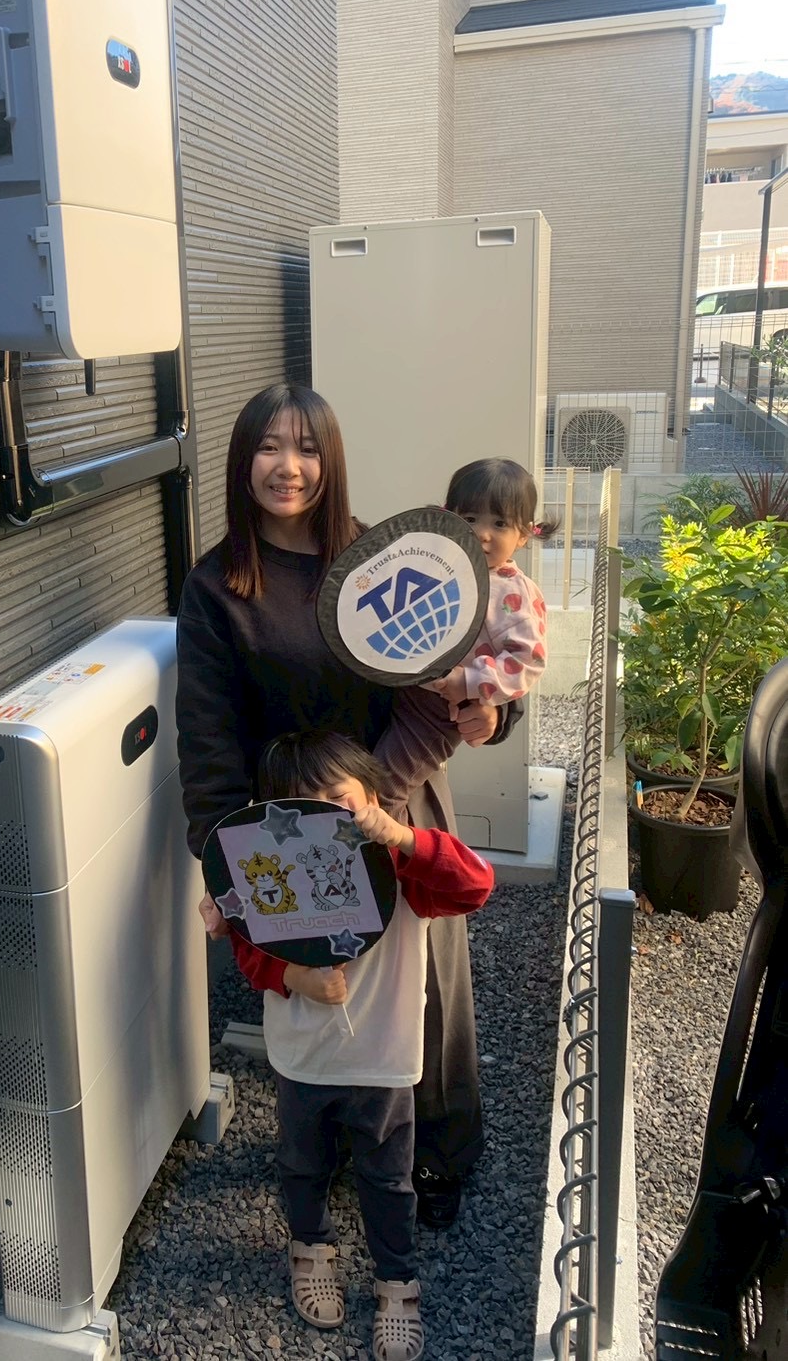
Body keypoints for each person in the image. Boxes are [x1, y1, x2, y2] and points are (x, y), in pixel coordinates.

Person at [174, 382, 517, 1228]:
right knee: (317, 985)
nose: (287, 466)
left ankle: (437, 1149)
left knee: (424, 990)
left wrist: (496, 714)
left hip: (397, 801)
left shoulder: (377, 557)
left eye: (306, 447)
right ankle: (326, 1150)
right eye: (269, 446)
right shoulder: (216, 588)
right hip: (291, 828)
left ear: (330, 460)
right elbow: (208, 742)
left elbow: (462, 653)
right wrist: (223, 861)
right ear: (242, 459)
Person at [227, 731, 493, 1359]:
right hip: (303, 1057)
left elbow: (475, 885)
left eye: (336, 796)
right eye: (302, 806)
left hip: (384, 1058)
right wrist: (295, 977)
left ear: (372, 795)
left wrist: (404, 838)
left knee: (389, 1176)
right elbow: (247, 947)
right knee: (302, 1162)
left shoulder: (400, 869)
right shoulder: (271, 876)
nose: (323, 814)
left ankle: (397, 1281)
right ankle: (311, 1248)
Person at [423, 457, 553, 711]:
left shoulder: (512, 591)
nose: (481, 534)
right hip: (406, 691)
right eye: (470, 519)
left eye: (500, 524)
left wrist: (471, 681)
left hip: (452, 704)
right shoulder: (438, 567)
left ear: (523, 535)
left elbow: (528, 660)